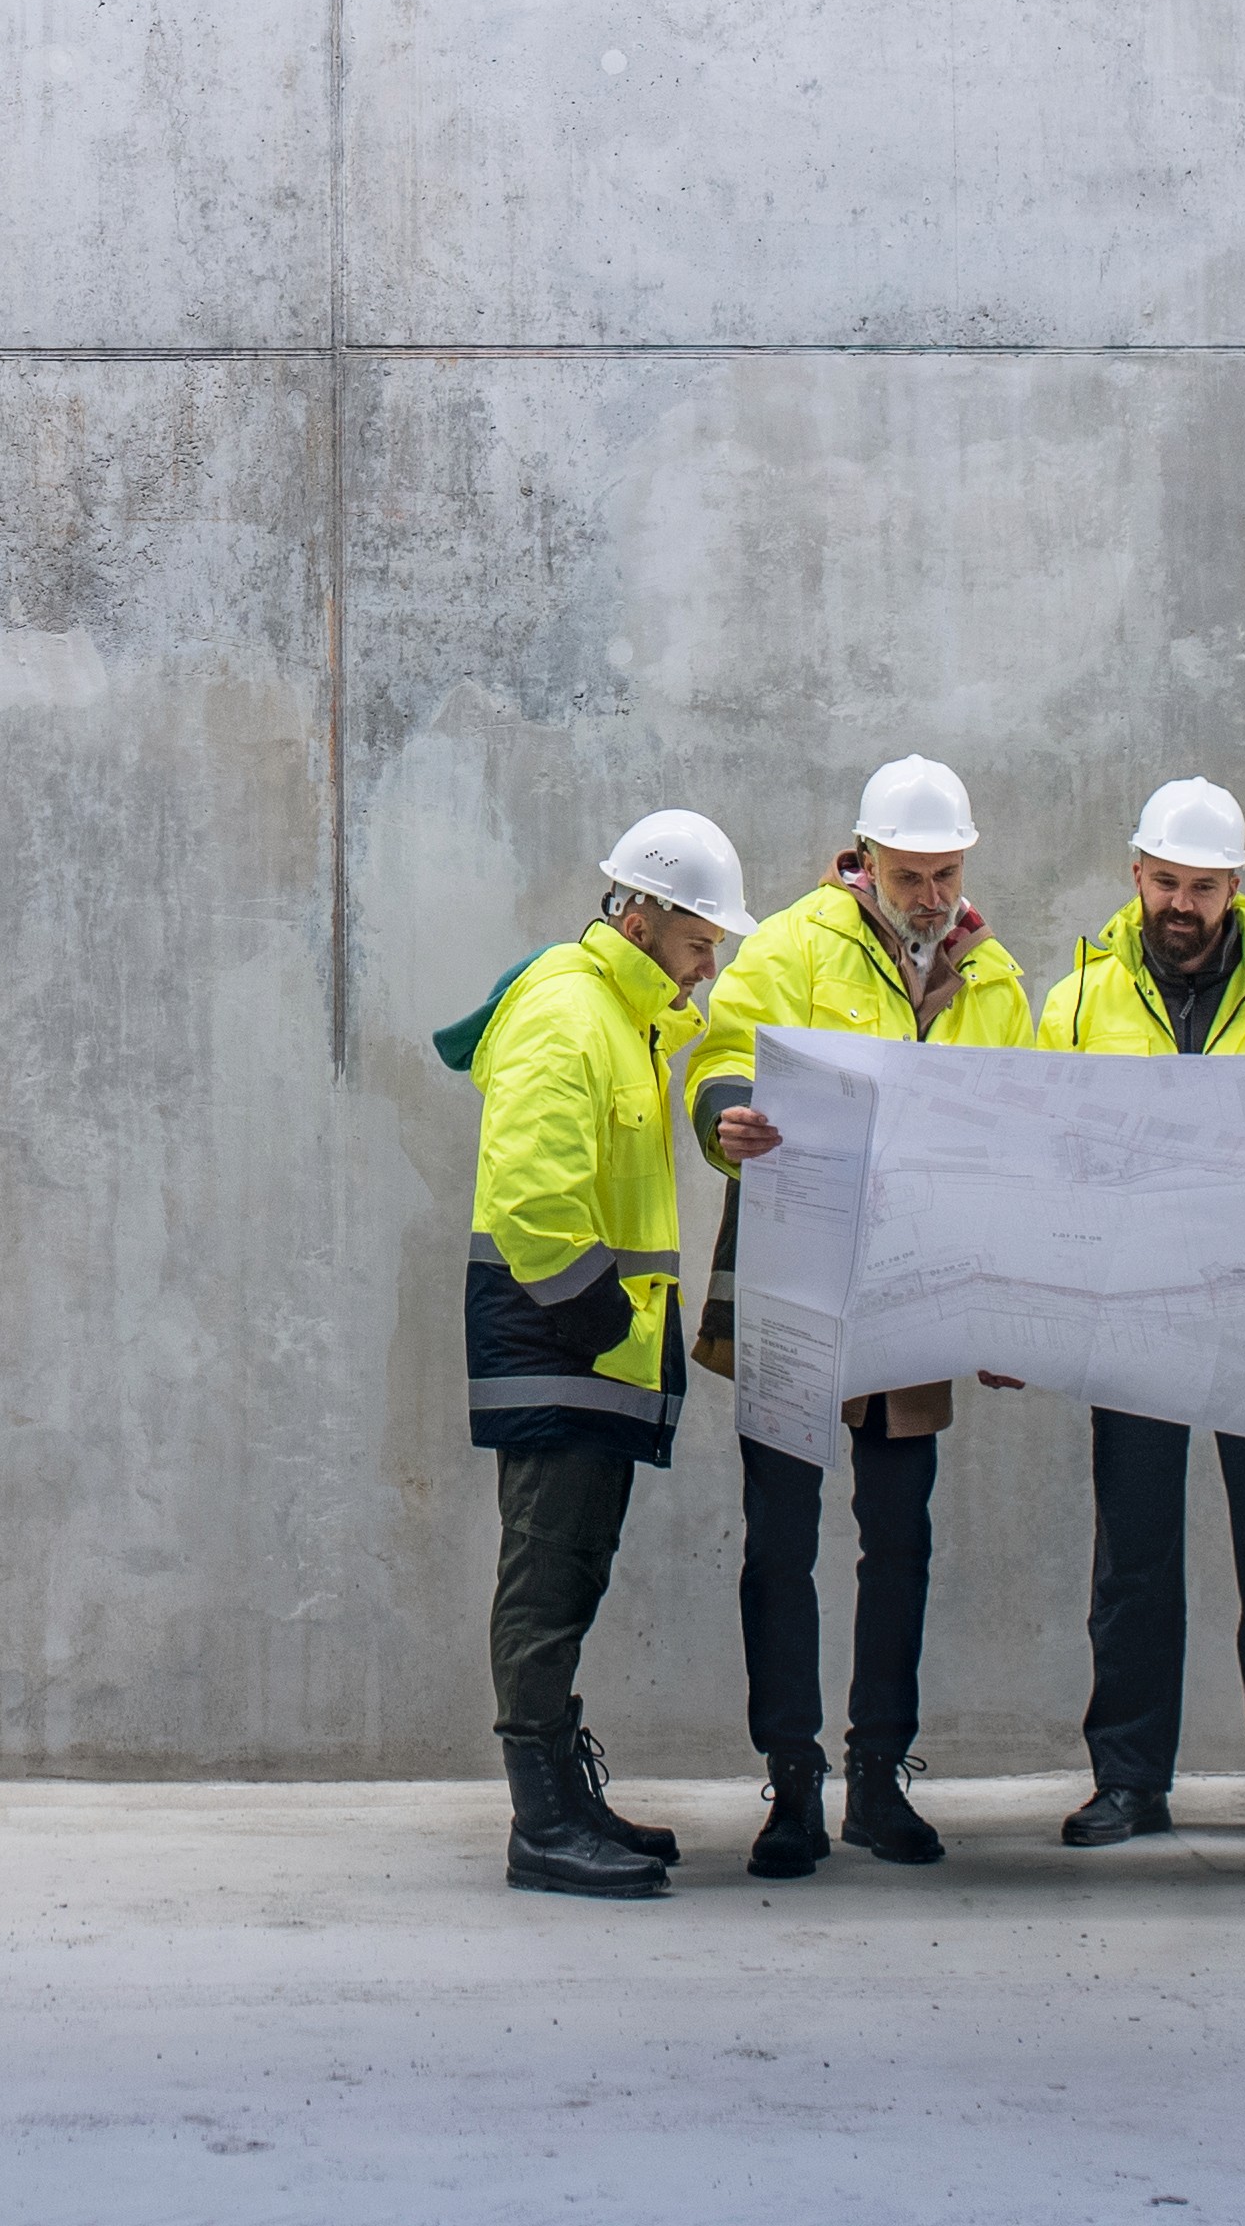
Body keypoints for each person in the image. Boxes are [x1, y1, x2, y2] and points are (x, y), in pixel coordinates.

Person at [683, 756, 1037, 1878]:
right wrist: (727, 1113)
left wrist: (1004, 1304)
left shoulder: (996, 978)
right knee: (780, 1541)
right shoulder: (788, 946)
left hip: (915, 1280)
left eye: (945, 872)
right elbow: (725, 1055)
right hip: (793, 1269)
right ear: (862, 857)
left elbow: (1017, 1140)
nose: (929, 893)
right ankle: (792, 1785)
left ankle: (878, 1779)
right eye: (909, 871)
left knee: (901, 1541)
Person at [454, 807, 758, 1899]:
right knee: (543, 1581)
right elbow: (532, 1200)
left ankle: (564, 1797)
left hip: (594, 1351)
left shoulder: (625, 1018)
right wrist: (603, 1329)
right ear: (642, 914)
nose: (707, 961)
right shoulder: (567, 1012)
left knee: (572, 1573)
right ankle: (540, 1823)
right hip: (563, 1347)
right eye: (697, 940)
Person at [1041, 775, 1245, 1854]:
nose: (1181, 902)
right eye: (1165, 879)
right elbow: (1048, 1160)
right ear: (1136, 875)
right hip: (1134, 1307)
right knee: (1134, 1556)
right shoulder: (1074, 999)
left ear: (1235, 886)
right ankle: (1128, 1781)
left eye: (1202, 886)